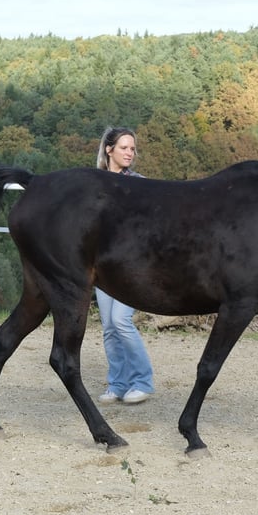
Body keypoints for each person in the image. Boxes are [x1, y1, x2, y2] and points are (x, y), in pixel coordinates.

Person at [94, 127, 155, 405]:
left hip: (133, 265)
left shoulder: (140, 184)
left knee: (121, 320)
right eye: (124, 148)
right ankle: (117, 384)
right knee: (109, 326)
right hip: (103, 264)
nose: (130, 153)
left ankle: (143, 381)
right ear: (109, 150)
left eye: (132, 149)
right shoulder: (95, 182)